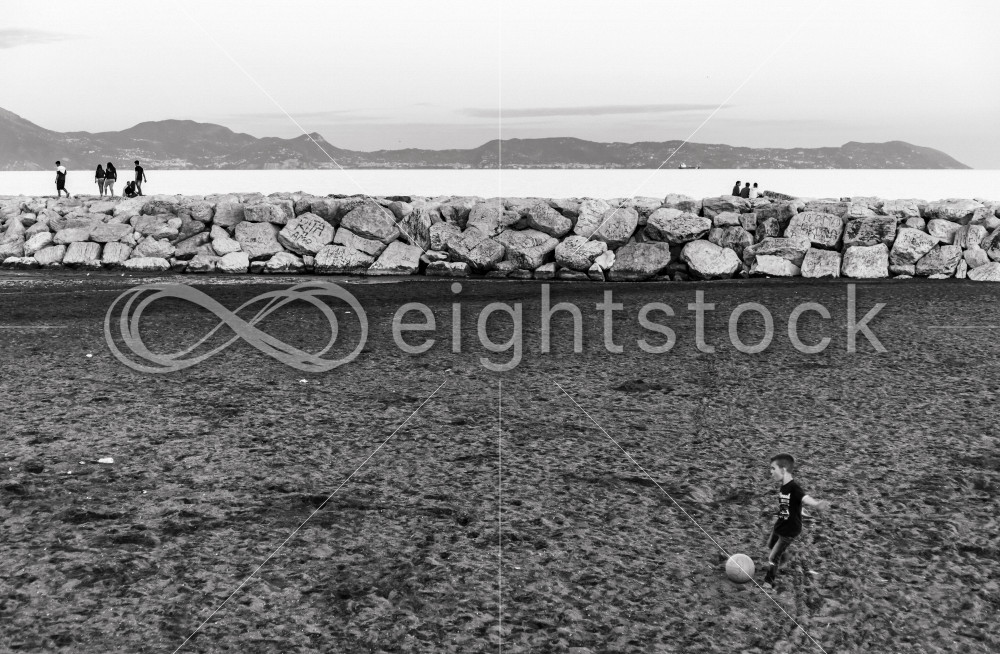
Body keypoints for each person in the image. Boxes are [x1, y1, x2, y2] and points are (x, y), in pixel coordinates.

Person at [764, 454, 831, 587]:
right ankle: (785, 557)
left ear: (783, 470)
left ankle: (768, 582)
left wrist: (816, 504)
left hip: (790, 530)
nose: (771, 472)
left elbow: (804, 498)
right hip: (780, 525)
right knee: (770, 545)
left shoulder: (794, 487)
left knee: (772, 557)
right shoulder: (783, 486)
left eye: (773, 468)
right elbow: (790, 505)